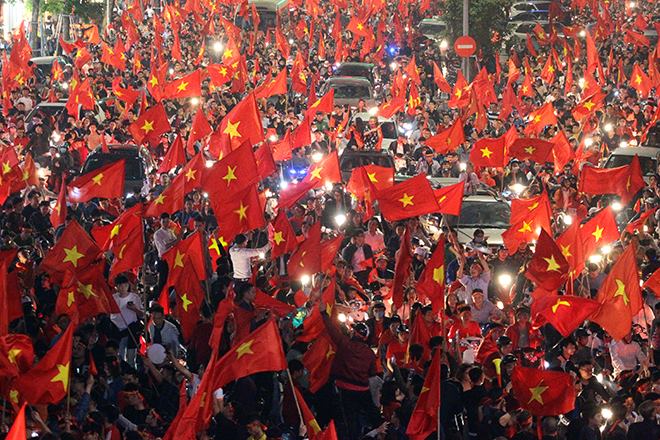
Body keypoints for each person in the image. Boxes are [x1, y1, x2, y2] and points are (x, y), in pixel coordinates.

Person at [110, 275, 144, 367]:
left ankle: (131, 372)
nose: (122, 288)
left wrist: (134, 309)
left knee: (131, 357)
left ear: (128, 285)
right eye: (120, 286)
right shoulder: (113, 298)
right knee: (119, 356)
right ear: (116, 287)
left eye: (125, 285)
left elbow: (142, 315)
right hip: (117, 330)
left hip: (131, 329)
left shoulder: (134, 297)